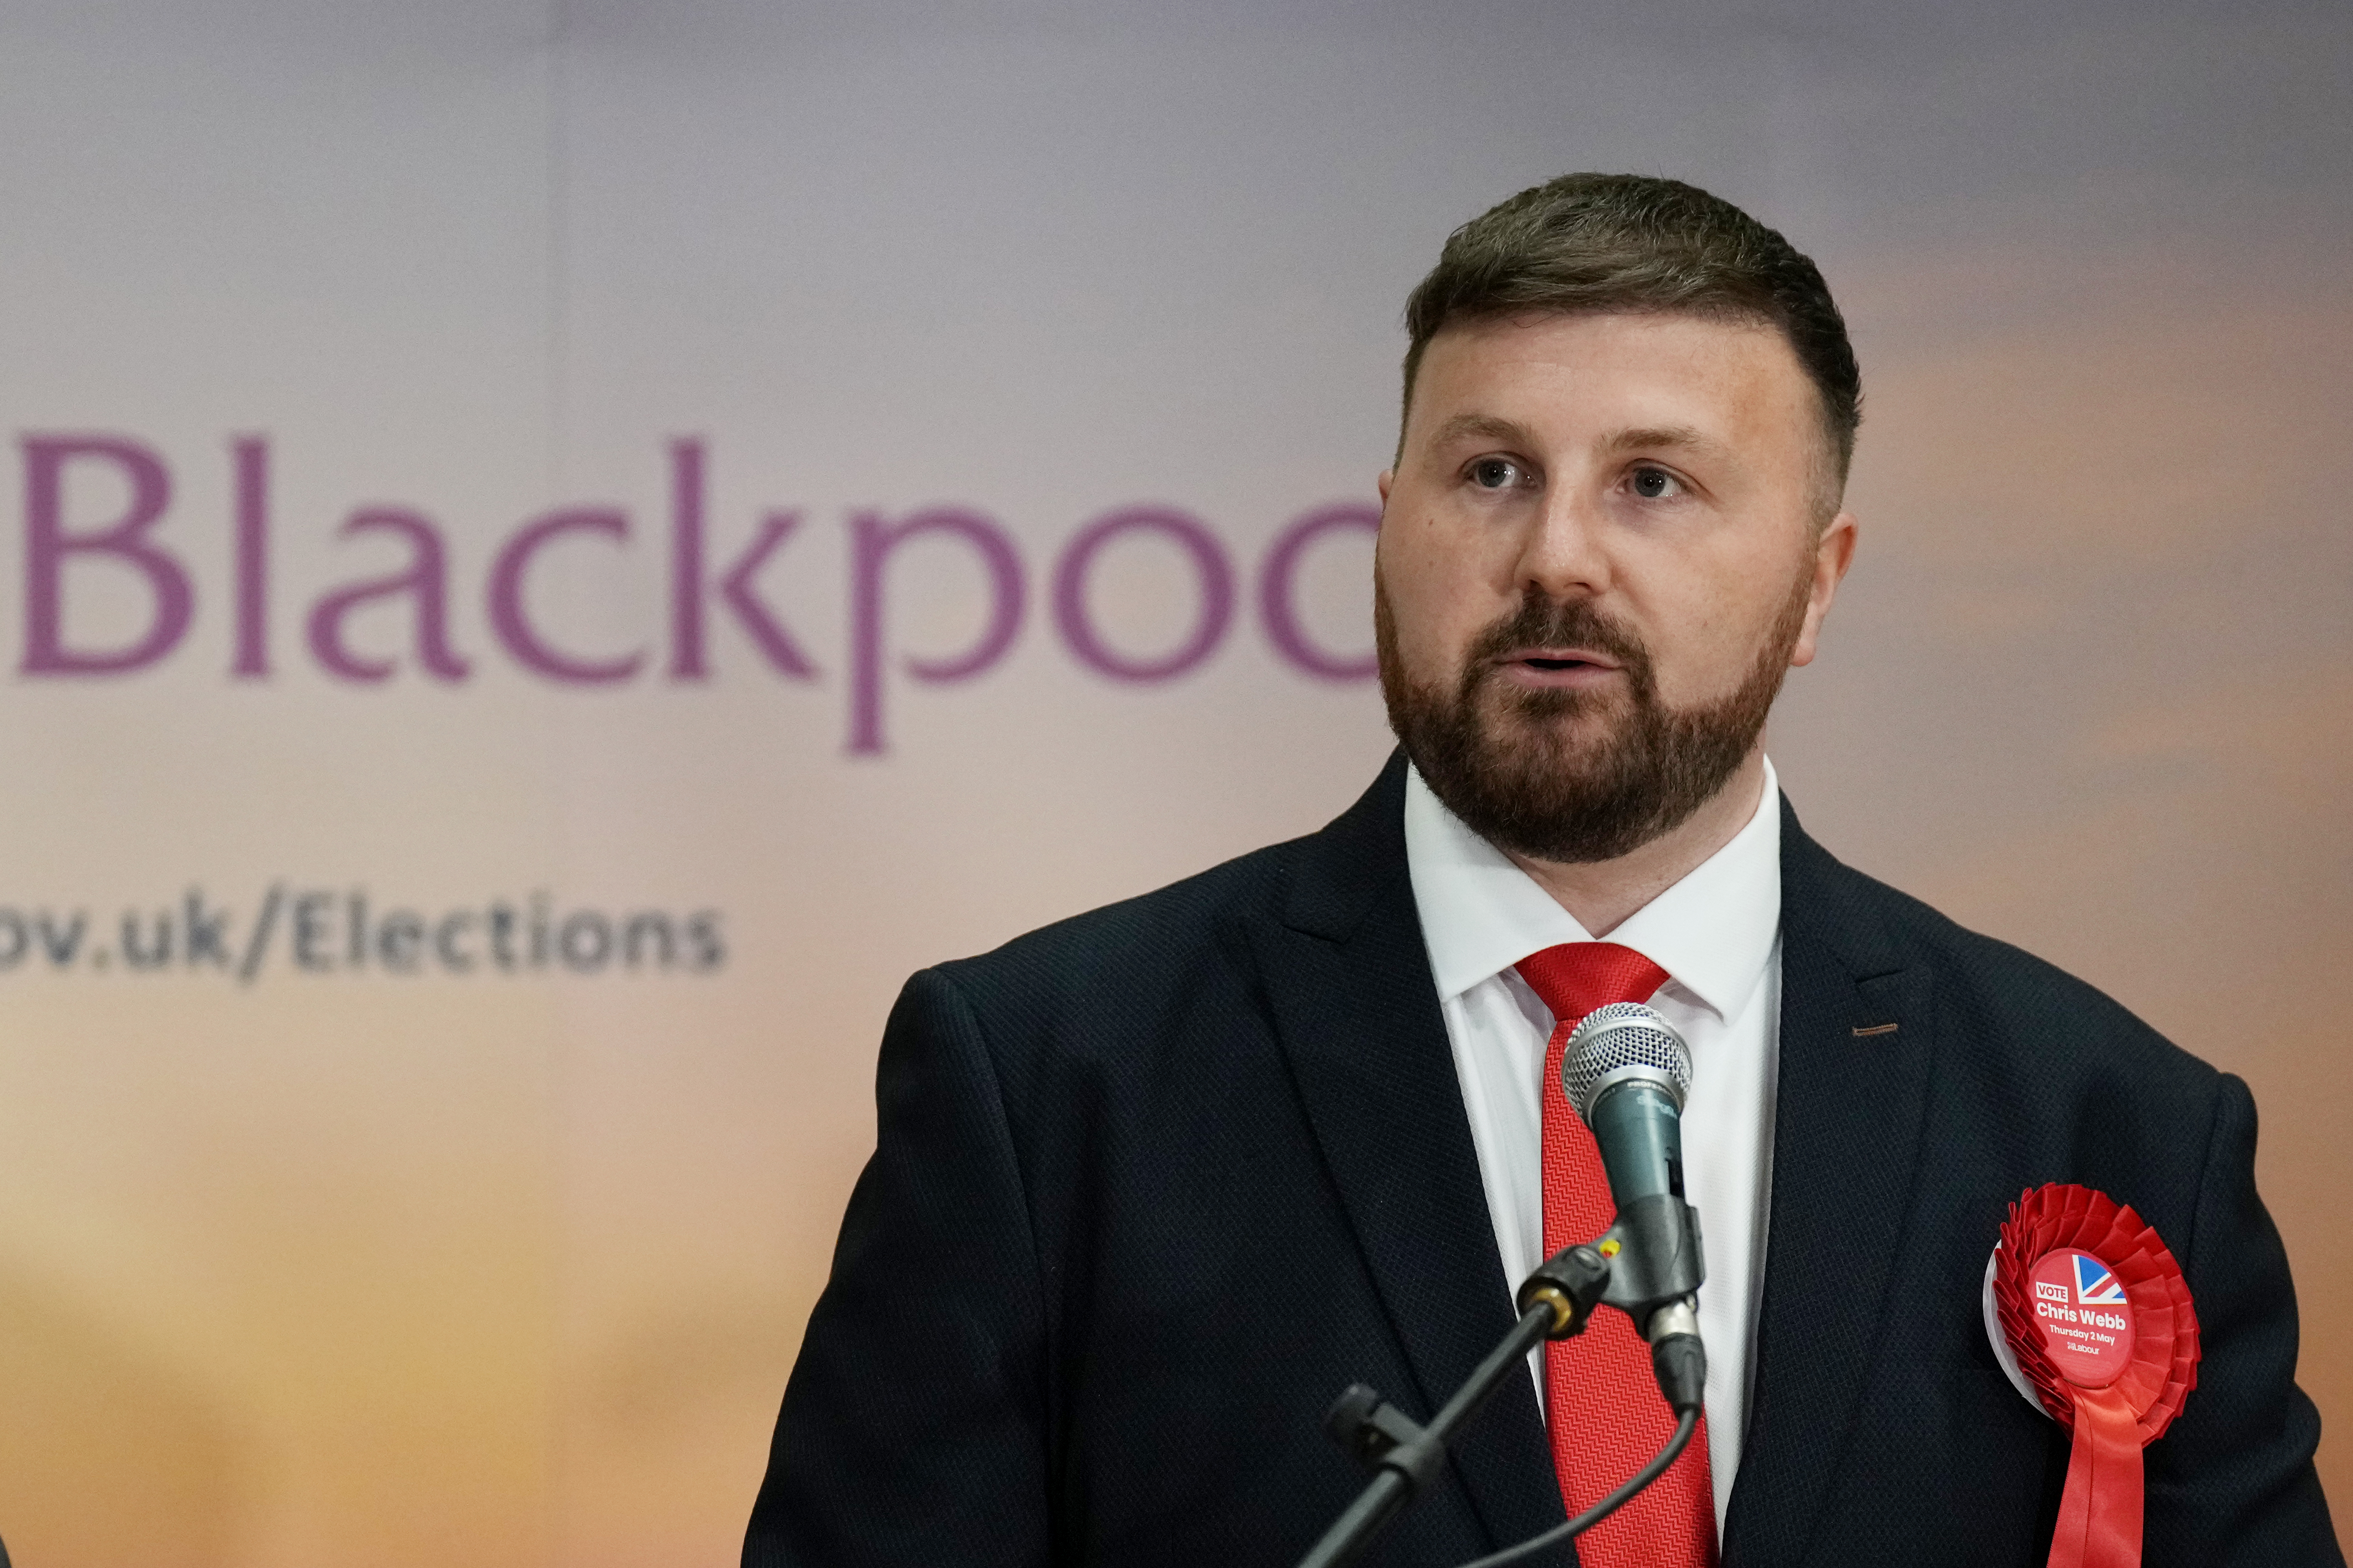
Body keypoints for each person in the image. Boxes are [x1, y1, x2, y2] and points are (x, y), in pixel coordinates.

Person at [744, 174, 2340, 1567]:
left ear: (1814, 587)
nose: (1557, 556)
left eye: (1652, 482)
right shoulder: (1043, 1084)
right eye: (1491, 473)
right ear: (1389, 532)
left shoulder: (2117, 1128)